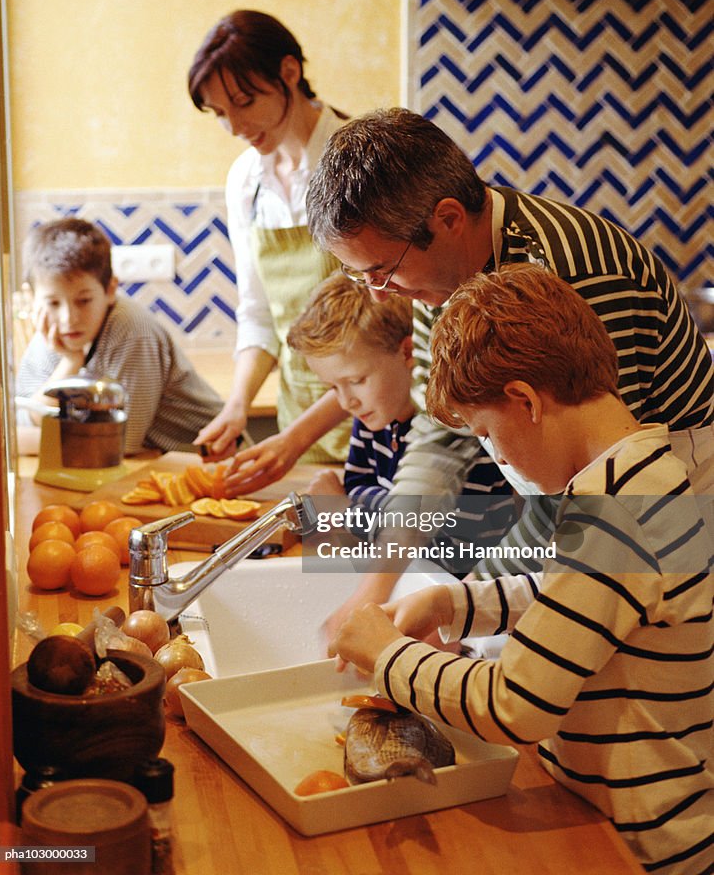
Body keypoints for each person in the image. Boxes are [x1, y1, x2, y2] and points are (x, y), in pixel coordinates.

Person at [329, 265, 713, 875]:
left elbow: (515, 705)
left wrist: (387, 655)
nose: (493, 453)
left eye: (484, 432)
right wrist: (457, 604)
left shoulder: (617, 514)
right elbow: (584, 601)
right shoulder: (643, 475)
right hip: (609, 813)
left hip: (643, 848)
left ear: (526, 401)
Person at [300, 107, 713, 626]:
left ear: (447, 218)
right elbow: (439, 438)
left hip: (672, 488)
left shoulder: (574, 273)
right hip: (576, 498)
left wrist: (465, 606)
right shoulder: (440, 281)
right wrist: (376, 587)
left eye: (383, 270)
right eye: (364, 277)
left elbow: (590, 477)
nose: (383, 291)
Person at [187, 9, 351, 467]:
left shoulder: (355, 163)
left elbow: (391, 340)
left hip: (374, 416)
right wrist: (237, 406)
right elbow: (258, 314)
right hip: (298, 415)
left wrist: (294, 441)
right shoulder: (246, 181)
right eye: (219, 113)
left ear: (289, 73)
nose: (235, 127)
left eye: (244, 101)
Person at [16, 218, 224, 455]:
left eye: (84, 301)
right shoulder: (51, 336)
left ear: (110, 290)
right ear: (31, 298)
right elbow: (25, 422)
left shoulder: (133, 330)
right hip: (142, 465)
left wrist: (28, 441)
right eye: (53, 302)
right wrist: (70, 362)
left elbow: (121, 444)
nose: (68, 318)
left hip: (208, 461)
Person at [286, 271, 415, 512]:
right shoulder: (374, 416)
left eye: (356, 380)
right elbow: (357, 484)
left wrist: (341, 512)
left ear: (407, 352)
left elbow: (436, 542)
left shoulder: (443, 433)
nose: (346, 403)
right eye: (333, 387)